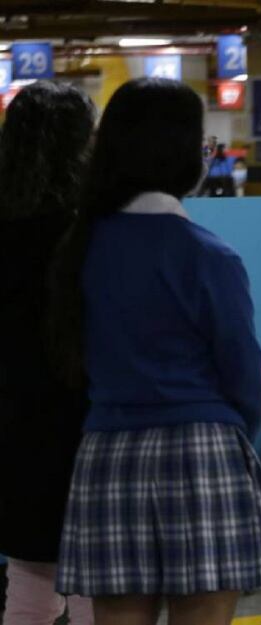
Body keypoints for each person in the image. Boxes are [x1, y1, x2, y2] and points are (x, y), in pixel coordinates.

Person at [50, 78, 261, 624]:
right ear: (183, 153)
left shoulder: (78, 250)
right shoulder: (209, 255)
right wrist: (231, 433)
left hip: (108, 456)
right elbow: (244, 375)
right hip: (203, 451)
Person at [0, 82, 96, 625]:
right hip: (89, 416)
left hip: (14, 420)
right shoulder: (92, 232)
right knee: (93, 583)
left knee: (29, 576)